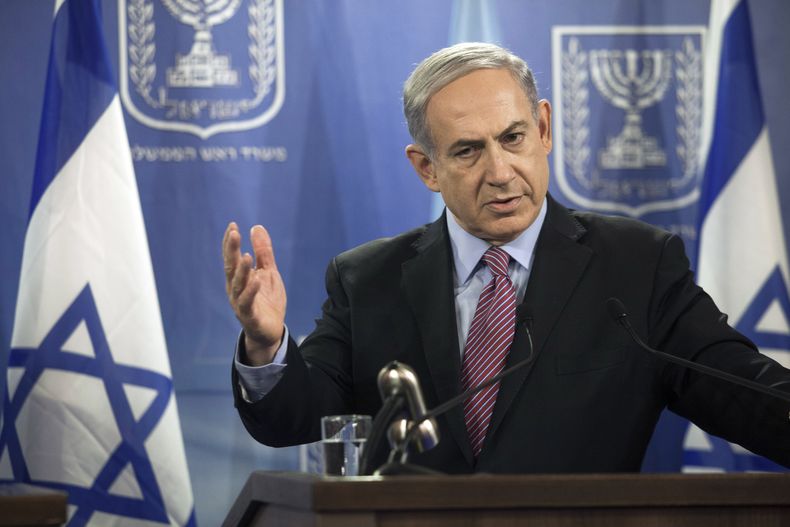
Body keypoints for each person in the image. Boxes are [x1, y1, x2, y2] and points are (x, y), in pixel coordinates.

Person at [223, 42, 790, 473]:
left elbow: (746, 393)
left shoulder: (636, 266)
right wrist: (266, 346)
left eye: (513, 138)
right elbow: (296, 417)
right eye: (468, 150)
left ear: (543, 128)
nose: (500, 172)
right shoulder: (367, 280)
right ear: (426, 168)